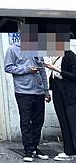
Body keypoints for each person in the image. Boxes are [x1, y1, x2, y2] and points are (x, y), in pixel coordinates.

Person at [4, 26, 51, 162]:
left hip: (39, 91)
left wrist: (46, 91)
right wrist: (26, 69)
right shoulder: (13, 49)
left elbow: (42, 71)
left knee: (38, 121)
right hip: (23, 91)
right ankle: (28, 150)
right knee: (26, 121)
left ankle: (35, 147)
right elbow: (8, 67)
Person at [44, 32, 76, 162]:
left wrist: (57, 70)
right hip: (57, 92)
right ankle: (69, 151)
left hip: (70, 93)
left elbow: (74, 76)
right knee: (63, 122)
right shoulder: (54, 56)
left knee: (73, 123)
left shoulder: (70, 55)